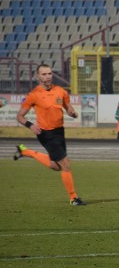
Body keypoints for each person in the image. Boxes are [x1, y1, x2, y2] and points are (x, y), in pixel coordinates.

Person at [14, 63, 86, 206]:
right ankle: (73, 198)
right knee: (65, 164)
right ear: (38, 76)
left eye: (49, 73)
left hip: (59, 131)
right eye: (44, 74)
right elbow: (20, 117)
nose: (47, 77)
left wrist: (72, 112)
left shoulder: (60, 91)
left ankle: (26, 152)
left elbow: (67, 106)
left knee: (56, 166)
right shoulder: (34, 95)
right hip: (46, 133)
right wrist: (31, 125)